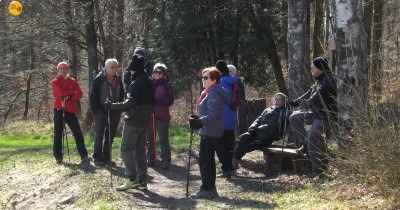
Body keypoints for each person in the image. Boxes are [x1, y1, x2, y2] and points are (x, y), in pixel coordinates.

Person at [107, 54, 155, 191]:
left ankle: (131, 178)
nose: (129, 72)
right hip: (145, 121)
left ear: (134, 70)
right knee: (140, 150)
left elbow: (129, 103)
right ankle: (142, 180)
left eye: (130, 70)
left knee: (125, 149)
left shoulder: (135, 84)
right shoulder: (150, 82)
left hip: (133, 121)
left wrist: (112, 106)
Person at [288, 57, 337, 178]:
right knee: (294, 117)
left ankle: (319, 172)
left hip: (325, 117)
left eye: (312, 66)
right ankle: (306, 144)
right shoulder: (318, 80)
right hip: (315, 114)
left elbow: (317, 95)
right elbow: (309, 93)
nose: (310, 68)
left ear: (320, 68)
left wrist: (307, 102)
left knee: (312, 137)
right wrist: (293, 102)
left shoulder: (328, 79)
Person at [189, 67, 229, 199]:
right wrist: (198, 118)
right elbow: (208, 113)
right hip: (210, 130)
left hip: (211, 131)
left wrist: (199, 122)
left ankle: (207, 189)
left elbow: (214, 115)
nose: (203, 80)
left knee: (205, 161)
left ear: (214, 80)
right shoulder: (210, 92)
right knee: (208, 161)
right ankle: (210, 188)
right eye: (202, 77)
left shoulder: (214, 94)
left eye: (206, 78)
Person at [231, 93, 290, 169]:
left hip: (267, 137)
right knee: (242, 137)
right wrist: (252, 127)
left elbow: (274, 128)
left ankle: (233, 159)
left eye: (279, 100)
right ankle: (234, 159)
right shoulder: (267, 109)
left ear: (284, 102)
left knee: (245, 144)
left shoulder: (285, 112)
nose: (277, 101)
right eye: (275, 99)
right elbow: (258, 119)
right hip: (257, 132)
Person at [51, 61, 90, 166]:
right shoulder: (55, 82)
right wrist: (72, 92)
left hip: (70, 111)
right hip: (59, 110)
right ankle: (58, 156)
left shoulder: (73, 81)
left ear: (67, 70)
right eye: (61, 69)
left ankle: (84, 155)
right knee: (58, 134)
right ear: (58, 70)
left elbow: (79, 94)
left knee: (77, 132)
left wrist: (70, 96)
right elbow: (59, 94)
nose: (63, 70)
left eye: (65, 68)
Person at [89, 58, 124, 167]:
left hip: (115, 112)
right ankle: (97, 158)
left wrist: (120, 108)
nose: (114, 69)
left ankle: (106, 157)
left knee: (110, 135)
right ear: (106, 67)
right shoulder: (98, 79)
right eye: (111, 67)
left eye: (115, 67)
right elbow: (93, 97)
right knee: (99, 134)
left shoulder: (118, 80)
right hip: (101, 112)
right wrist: (96, 112)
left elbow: (122, 94)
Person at [146, 63, 175, 169]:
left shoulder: (167, 85)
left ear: (163, 74)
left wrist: (158, 101)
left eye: (160, 72)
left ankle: (165, 159)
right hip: (150, 116)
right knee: (150, 138)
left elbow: (170, 100)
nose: (157, 74)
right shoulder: (148, 83)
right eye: (155, 72)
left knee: (163, 138)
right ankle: (150, 158)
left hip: (162, 116)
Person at [214, 60, 238, 179]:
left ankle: (226, 168)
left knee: (219, 143)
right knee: (230, 143)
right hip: (232, 116)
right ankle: (231, 168)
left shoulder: (221, 82)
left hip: (222, 117)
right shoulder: (235, 81)